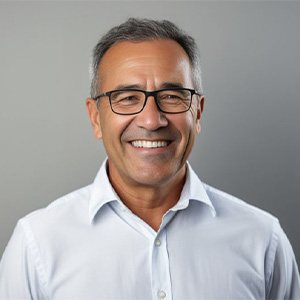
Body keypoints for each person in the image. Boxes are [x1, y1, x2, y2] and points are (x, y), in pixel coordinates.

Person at [0, 18, 299, 300]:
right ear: (95, 117)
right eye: (127, 98)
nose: (152, 120)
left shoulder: (263, 241)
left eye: (172, 96)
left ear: (198, 113)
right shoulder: (37, 244)